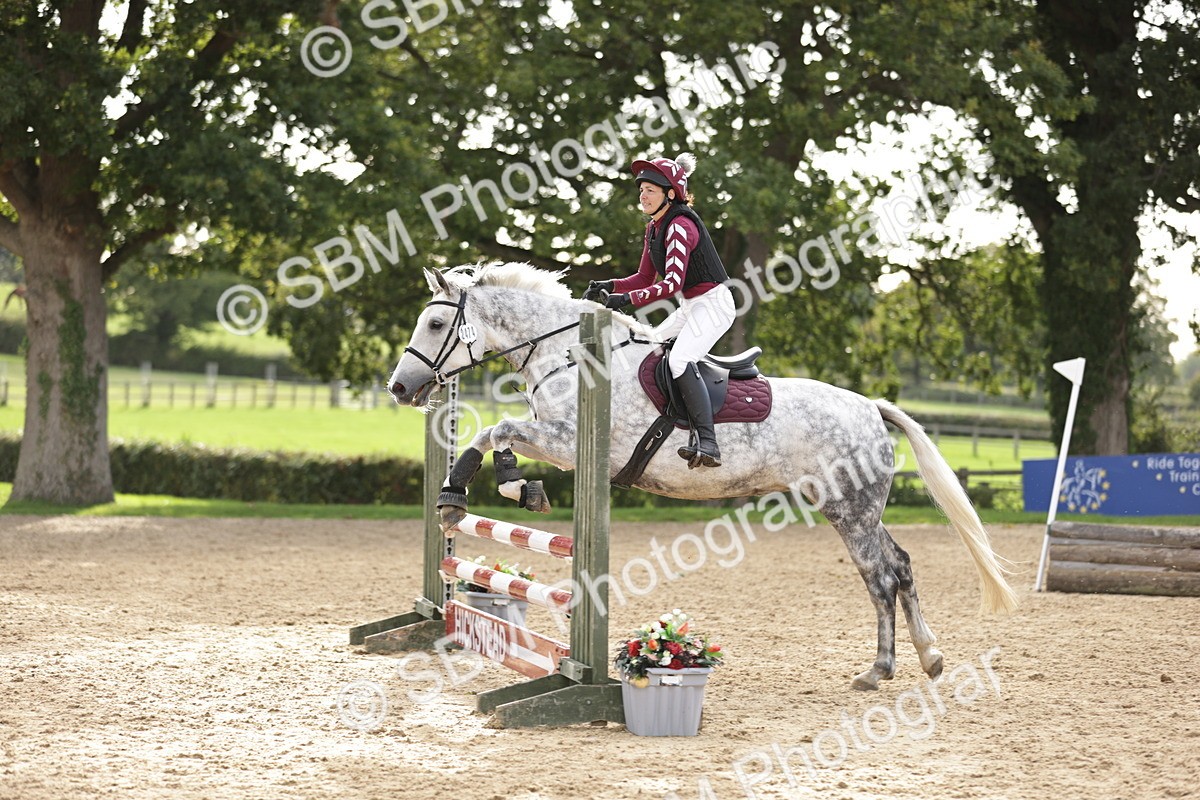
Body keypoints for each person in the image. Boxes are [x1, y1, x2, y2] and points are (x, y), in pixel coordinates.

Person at [583, 153, 736, 468]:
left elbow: (671, 283)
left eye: (650, 190)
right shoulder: (654, 228)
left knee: (680, 359)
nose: (643, 195)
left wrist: (626, 301)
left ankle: (708, 442)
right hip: (691, 305)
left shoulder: (680, 225)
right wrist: (609, 285)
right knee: (646, 347)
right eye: (641, 190)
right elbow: (642, 278)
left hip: (714, 305)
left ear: (670, 194)